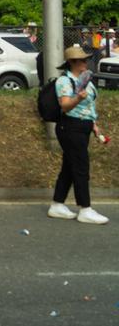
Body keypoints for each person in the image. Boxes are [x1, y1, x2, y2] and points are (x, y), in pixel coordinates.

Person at [48, 45, 109, 225]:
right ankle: (85, 209)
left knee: (69, 167)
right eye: (82, 60)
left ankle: (57, 204)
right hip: (70, 127)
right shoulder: (64, 81)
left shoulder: (85, 80)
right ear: (72, 62)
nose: (85, 62)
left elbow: (89, 106)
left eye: (86, 59)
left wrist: (94, 125)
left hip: (83, 126)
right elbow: (65, 106)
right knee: (81, 167)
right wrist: (78, 98)